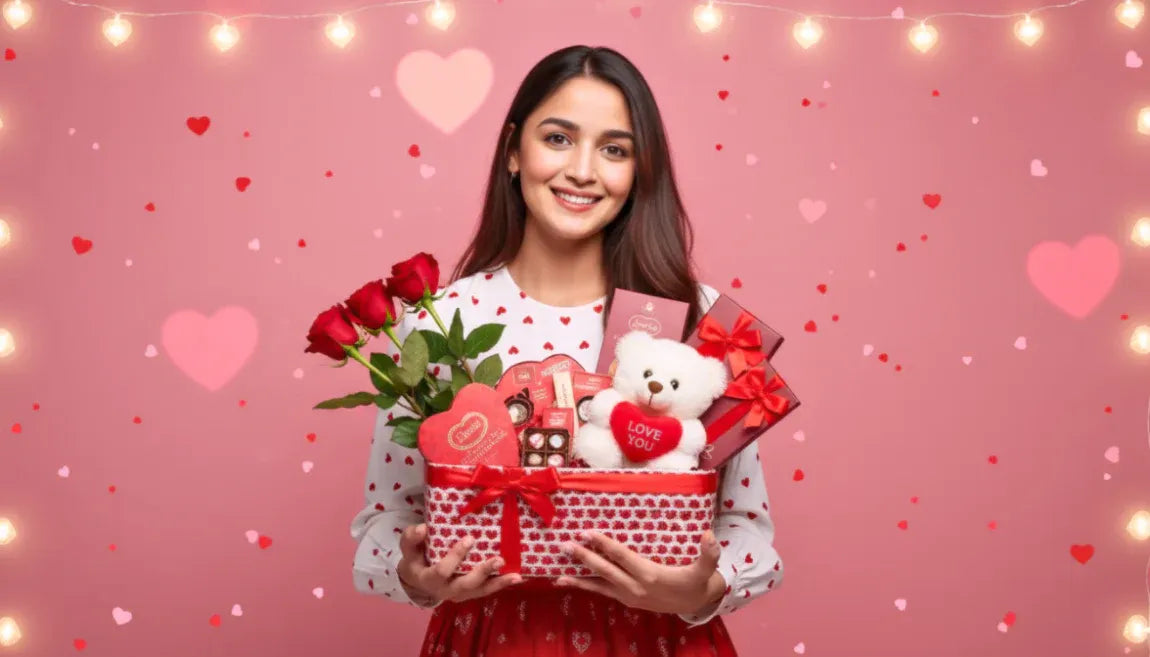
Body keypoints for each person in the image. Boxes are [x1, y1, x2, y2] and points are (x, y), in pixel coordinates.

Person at [349, 45, 783, 656]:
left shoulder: (698, 320)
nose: (583, 170)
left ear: (640, 172)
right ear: (511, 151)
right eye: (558, 138)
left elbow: (747, 529)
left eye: (614, 149)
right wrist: (414, 574)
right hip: (494, 638)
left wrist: (701, 589)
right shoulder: (440, 323)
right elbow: (385, 519)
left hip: (657, 642)